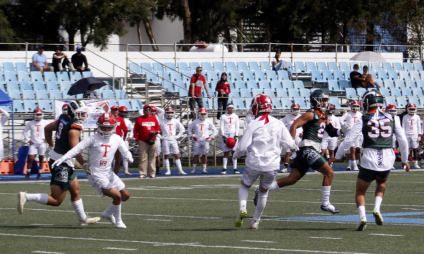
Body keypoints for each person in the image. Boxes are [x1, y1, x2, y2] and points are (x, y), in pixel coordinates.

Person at [253, 89, 349, 214]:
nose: (325, 102)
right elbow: (294, 125)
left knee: (292, 179)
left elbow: (331, 131)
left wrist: (342, 131)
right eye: (322, 100)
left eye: (326, 100)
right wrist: (291, 142)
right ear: (316, 100)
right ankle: (325, 203)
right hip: (307, 148)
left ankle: (261, 188)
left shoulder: (324, 115)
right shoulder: (311, 114)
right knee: (329, 172)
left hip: (312, 150)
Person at [329, 90, 409, 231]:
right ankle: (377, 208)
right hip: (387, 157)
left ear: (366, 102)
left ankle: (362, 218)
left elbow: (349, 139)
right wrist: (405, 159)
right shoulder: (392, 118)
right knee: (381, 183)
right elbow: (403, 140)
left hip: (370, 156)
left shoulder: (364, 118)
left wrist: (339, 155)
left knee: (360, 191)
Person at [18, 101, 100, 226]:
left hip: (61, 159)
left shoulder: (64, 118)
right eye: (81, 113)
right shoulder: (74, 128)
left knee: (76, 190)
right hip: (62, 162)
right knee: (56, 200)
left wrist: (52, 145)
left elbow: (47, 128)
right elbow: (75, 150)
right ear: (73, 113)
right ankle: (27, 196)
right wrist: (84, 163)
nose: (83, 115)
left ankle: (83, 218)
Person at [51, 113, 134, 229]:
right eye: (104, 127)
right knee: (117, 196)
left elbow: (124, 150)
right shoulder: (92, 139)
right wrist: (62, 158)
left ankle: (108, 213)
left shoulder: (117, 138)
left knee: (126, 195)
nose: (106, 130)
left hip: (108, 172)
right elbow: (76, 149)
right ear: (98, 126)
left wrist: (129, 156)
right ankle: (118, 221)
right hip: (96, 173)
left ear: (114, 126)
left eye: (109, 127)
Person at [233, 94, 295, 229]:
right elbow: (289, 143)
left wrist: (235, 155)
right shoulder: (279, 123)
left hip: (254, 162)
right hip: (272, 165)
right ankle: (256, 221)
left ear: (256, 107)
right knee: (263, 193)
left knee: (244, 186)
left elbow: (243, 146)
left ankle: (243, 207)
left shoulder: (253, 123)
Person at [134, 105, 161, 178]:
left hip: (152, 139)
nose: (148, 111)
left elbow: (158, 128)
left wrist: (155, 132)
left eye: (149, 110)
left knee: (152, 157)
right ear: (143, 111)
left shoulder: (154, 118)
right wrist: (137, 139)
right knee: (143, 157)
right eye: (146, 110)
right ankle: (143, 173)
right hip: (142, 140)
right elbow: (135, 130)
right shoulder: (139, 119)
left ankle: (152, 173)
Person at [187, 108, 218, 174]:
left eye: (204, 114)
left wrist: (211, 137)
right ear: (199, 114)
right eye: (202, 114)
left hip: (205, 140)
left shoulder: (208, 121)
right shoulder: (195, 121)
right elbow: (189, 129)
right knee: (195, 154)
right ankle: (193, 169)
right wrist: (191, 136)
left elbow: (215, 130)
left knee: (205, 154)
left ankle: (204, 169)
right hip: (197, 139)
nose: (203, 115)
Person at [159, 107, 186, 175]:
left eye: (171, 112)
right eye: (168, 112)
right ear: (165, 113)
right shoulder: (162, 121)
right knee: (166, 155)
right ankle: (168, 170)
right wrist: (160, 137)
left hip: (173, 139)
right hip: (166, 139)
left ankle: (180, 170)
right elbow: (156, 130)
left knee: (176, 154)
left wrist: (178, 136)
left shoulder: (175, 121)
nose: (170, 114)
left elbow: (182, 129)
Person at [23, 108, 49, 180]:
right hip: (33, 143)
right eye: (37, 114)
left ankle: (39, 173)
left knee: (41, 158)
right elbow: (25, 131)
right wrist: (28, 140)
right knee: (30, 159)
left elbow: (51, 130)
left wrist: (47, 138)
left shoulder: (45, 122)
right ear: (34, 115)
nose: (38, 116)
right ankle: (28, 174)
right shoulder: (30, 123)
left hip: (42, 143)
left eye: (40, 114)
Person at [339, 100, 363, 171]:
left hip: (359, 133)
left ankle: (350, 165)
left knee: (358, 149)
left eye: (356, 106)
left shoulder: (360, 114)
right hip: (350, 133)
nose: (355, 108)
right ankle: (355, 166)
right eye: (354, 106)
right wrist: (344, 125)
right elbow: (340, 120)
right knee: (352, 149)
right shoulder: (348, 114)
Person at [281, 103, 303, 173]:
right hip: (289, 137)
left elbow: (305, 126)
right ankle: (285, 167)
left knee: (300, 152)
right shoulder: (288, 117)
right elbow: (281, 124)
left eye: (297, 109)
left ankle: (299, 166)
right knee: (288, 152)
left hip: (298, 136)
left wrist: (303, 133)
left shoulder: (301, 117)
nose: (296, 110)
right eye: (295, 109)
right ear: (292, 109)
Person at [220, 104, 240, 175]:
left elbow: (237, 126)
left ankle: (235, 168)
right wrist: (223, 135)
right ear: (227, 109)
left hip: (233, 135)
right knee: (226, 152)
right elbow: (221, 126)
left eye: (232, 108)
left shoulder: (235, 116)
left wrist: (236, 135)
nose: (231, 109)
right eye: (230, 108)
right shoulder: (223, 116)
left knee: (234, 152)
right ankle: (224, 168)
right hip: (226, 134)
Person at [402, 103, 421, 169]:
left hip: (414, 134)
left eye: (413, 109)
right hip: (406, 134)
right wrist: (403, 135)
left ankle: (416, 164)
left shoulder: (417, 117)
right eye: (411, 109)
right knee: (406, 149)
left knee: (415, 149)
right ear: (407, 109)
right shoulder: (405, 116)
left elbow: (419, 126)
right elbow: (403, 126)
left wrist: (419, 135)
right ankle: (405, 163)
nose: (412, 110)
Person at [111, 106, 128, 175]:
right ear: (111, 111)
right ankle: (107, 172)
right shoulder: (109, 119)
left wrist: (123, 138)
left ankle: (115, 173)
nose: (115, 112)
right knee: (109, 157)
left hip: (118, 139)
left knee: (118, 158)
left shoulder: (120, 119)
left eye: (116, 110)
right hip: (110, 139)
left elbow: (125, 129)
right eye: (114, 110)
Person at [119, 106, 134, 175]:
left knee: (125, 155)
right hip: (117, 139)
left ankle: (126, 170)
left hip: (124, 139)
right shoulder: (115, 119)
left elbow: (132, 129)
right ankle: (114, 170)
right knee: (114, 156)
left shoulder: (127, 121)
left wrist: (130, 136)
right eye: (122, 112)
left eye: (125, 112)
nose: (123, 114)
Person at [386, 104, 401, 170]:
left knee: (393, 150)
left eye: (394, 110)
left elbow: (399, 128)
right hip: (387, 135)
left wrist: (398, 137)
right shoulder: (385, 117)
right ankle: (386, 163)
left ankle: (391, 164)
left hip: (394, 136)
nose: (393, 112)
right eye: (391, 110)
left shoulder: (397, 118)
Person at [150, 106, 165, 175]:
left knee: (157, 154)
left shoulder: (158, 117)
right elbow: (140, 112)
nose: (152, 112)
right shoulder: (147, 117)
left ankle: (158, 169)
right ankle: (150, 169)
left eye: (154, 111)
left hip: (157, 136)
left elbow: (163, 111)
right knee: (149, 154)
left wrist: (155, 107)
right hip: (149, 136)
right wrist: (149, 107)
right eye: (151, 111)